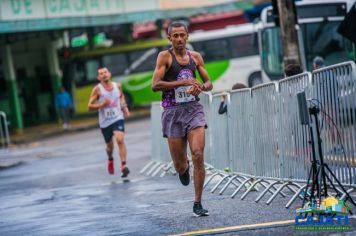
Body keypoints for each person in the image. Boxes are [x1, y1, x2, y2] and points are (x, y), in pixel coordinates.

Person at [151, 21, 213, 217]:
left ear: (187, 36)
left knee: (198, 154)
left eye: (182, 35)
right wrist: (184, 81)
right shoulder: (164, 57)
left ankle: (198, 203)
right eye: (175, 36)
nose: (179, 39)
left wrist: (201, 87)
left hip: (194, 110)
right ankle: (183, 170)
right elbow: (155, 84)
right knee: (180, 164)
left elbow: (209, 82)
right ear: (169, 38)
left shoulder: (195, 57)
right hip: (172, 112)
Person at [88, 67, 130, 177]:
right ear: (98, 77)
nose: (104, 75)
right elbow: (89, 106)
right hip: (105, 122)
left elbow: (121, 96)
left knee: (120, 139)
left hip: (117, 117)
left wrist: (124, 106)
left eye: (105, 72)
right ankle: (110, 159)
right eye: (101, 74)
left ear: (110, 74)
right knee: (109, 147)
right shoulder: (97, 90)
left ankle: (123, 166)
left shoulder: (118, 86)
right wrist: (101, 105)